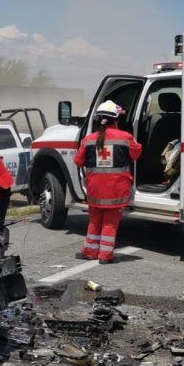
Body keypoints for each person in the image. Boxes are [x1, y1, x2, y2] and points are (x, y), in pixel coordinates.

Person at [73, 100, 142, 264]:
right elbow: (136, 154)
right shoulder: (125, 137)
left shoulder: (89, 139)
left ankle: (90, 251)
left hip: (94, 190)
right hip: (115, 190)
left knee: (94, 222)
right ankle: (105, 256)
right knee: (109, 224)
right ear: (116, 119)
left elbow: (77, 161)